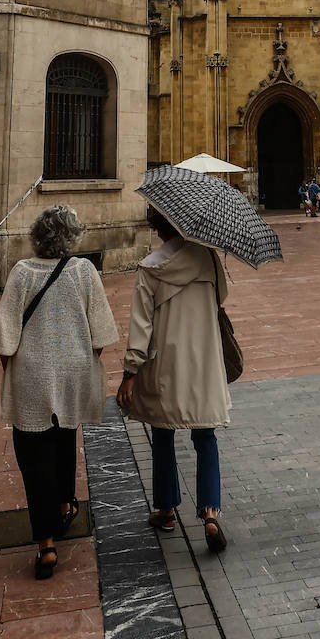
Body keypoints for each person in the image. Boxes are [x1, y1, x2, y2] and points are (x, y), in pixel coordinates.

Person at [0, 205, 118, 580]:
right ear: (72, 237)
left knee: (33, 456)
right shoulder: (84, 271)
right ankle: (64, 506)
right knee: (64, 440)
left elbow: (4, 335)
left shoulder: (22, 272)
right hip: (73, 372)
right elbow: (102, 334)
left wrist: (15, 370)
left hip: (32, 374)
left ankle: (45, 544)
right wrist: (81, 360)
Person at [116, 205, 231, 553]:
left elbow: (141, 327)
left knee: (163, 433)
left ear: (158, 228)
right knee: (205, 432)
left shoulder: (150, 269)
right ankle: (210, 513)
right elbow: (221, 298)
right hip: (204, 359)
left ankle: (166, 509)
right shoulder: (208, 259)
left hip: (164, 361)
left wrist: (129, 373)